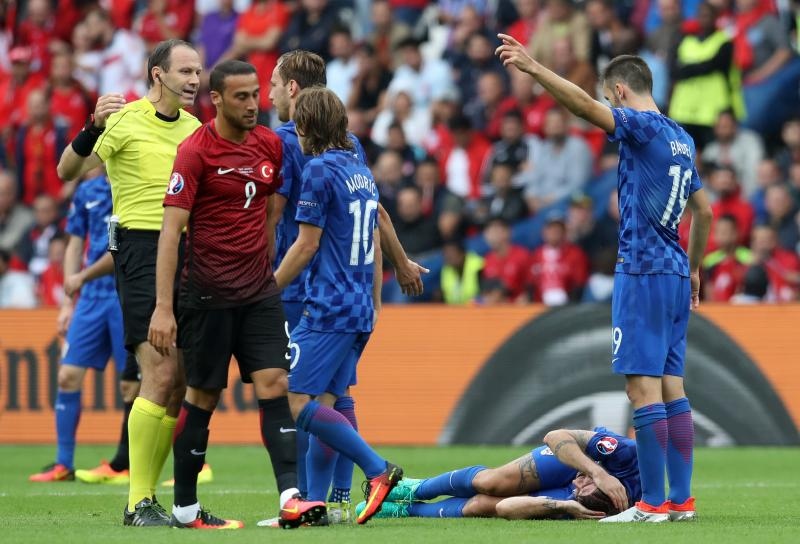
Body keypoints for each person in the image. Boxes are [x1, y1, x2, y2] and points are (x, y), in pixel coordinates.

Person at [497, 36, 713, 522]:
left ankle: (652, 505)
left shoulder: (640, 126)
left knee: (643, 391)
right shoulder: (682, 138)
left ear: (618, 91)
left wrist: (534, 69)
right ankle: (680, 500)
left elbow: (582, 107)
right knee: (673, 388)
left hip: (642, 270)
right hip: (676, 272)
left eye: (608, 97)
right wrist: (694, 266)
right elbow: (704, 209)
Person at [147, 59, 325, 530]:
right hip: (206, 295)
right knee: (202, 395)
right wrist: (164, 308)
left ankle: (290, 498)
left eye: (255, 94)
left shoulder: (270, 144)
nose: (254, 104)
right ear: (217, 100)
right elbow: (170, 234)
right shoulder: (194, 152)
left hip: (257, 293)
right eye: (242, 97)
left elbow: (268, 208)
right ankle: (185, 509)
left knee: (276, 386)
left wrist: (263, 259)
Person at [267, 49, 426, 521]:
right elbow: (375, 222)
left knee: (296, 401)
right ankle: (324, 503)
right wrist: (384, 286)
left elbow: (304, 245)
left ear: (304, 125)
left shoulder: (314, 167)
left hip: (326, 303)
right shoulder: (358, 165)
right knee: (335, 399)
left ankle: (376, 469)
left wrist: (265, 289)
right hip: (359, 303)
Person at [56, 39, 203, 527]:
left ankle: (149, 499)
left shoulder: (196, 129)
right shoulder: (123, 119)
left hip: (188, 253)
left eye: (198, 71)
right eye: (185, 71)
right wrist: (91, 126)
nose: (195, 80)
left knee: (179, 382)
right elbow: (66, 171)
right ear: (156, 75)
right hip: (140, 250)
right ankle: (137, 502)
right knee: (159, 373)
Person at [29, 173, 140, 485]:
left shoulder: (133, 183)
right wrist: (68, 300)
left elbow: (121, 250)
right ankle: (63, 463)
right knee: (67, 376)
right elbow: (74, 242)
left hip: (124, 295)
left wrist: (82, 277)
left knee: (134, 386)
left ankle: (132, 462)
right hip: (90, 298)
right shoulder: (87, 191)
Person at [356, 427, 640, 520]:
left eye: (582, 489)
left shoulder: (584, 505)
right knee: (490, 482)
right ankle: (413, 489)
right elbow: (555, 436)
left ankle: (406, 511)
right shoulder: (626, 455)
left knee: (483, 505)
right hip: (579, 458)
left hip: (585, 488)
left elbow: (505, 507)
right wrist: (594, 472)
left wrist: (567, 503)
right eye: (586, 485)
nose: (580, 484)